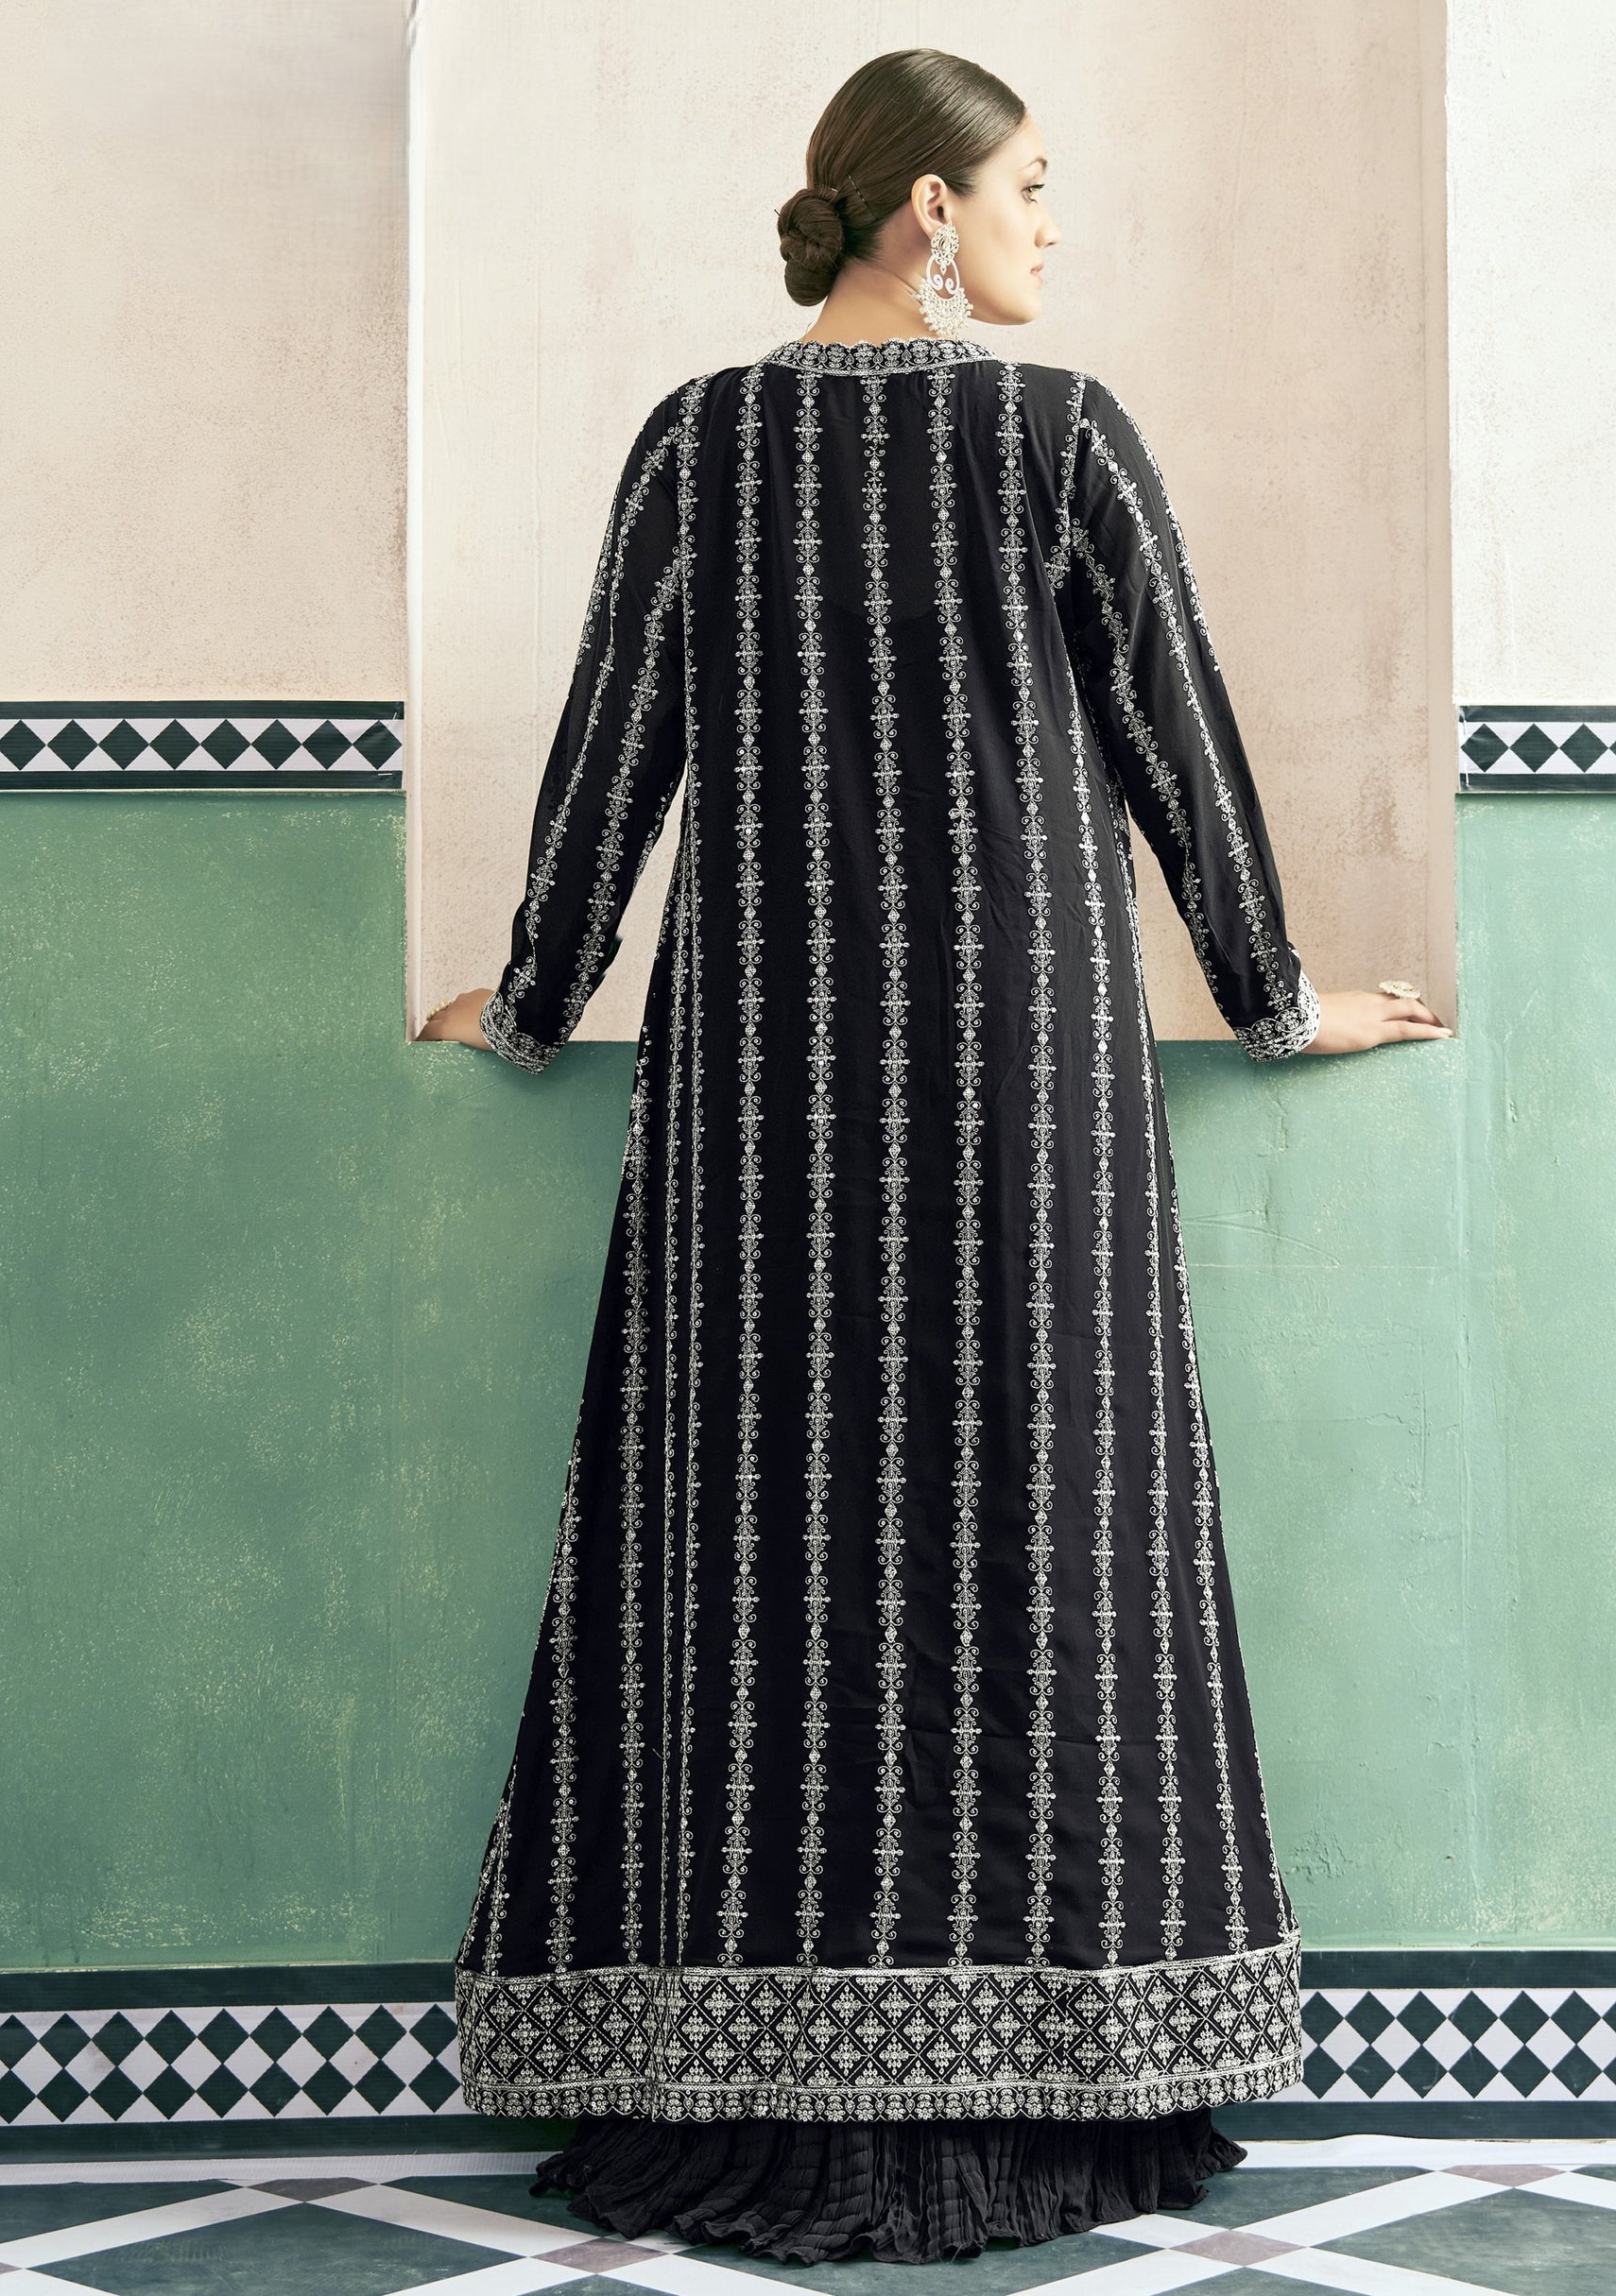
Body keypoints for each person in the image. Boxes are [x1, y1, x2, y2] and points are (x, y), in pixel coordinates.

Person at [420, 45, 1452, 2266]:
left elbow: (621, 750)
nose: (1052, 231)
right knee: (1042, 1530)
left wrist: (524, 1000)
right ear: (921, 215)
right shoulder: (1059, 433)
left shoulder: (700, 445)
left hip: (761, 1085)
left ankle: (742, 2058)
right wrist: (1280, 1000)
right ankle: (1062, 2069)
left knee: (760, 1538)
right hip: (1028, 1081)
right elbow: (1181, 736)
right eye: (1034, 192)